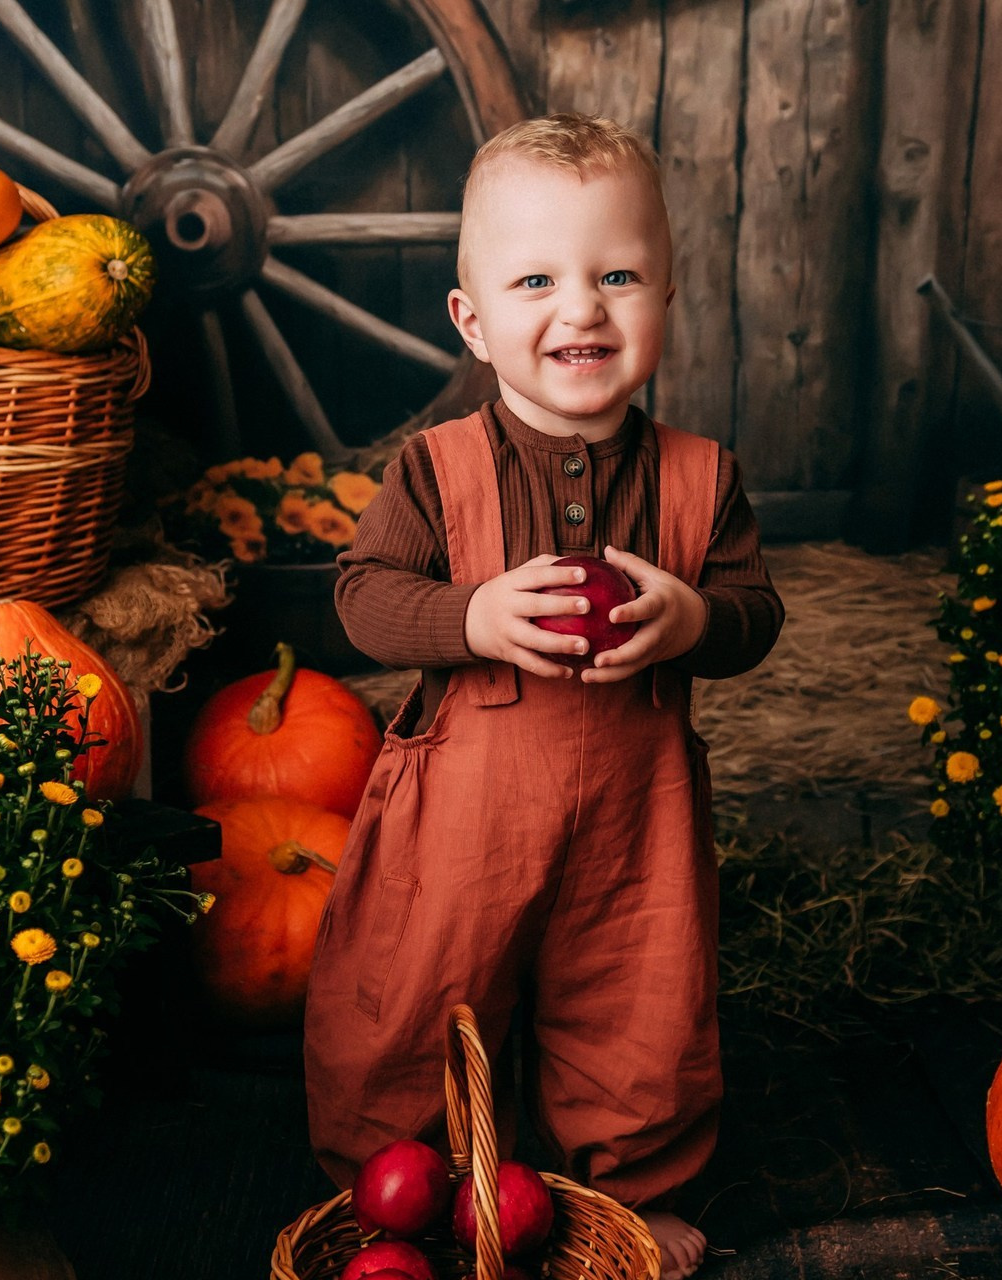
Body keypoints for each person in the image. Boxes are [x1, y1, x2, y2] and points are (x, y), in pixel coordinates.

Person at [303, 112, 784, 1279]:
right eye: (535, 280)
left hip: (634, 819)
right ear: (471, 318)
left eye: (616, 276)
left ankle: (629, 1182)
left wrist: (692, 617)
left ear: (664, 297)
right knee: (418, 990)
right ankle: (394, 1188)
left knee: (638, 996)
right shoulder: (434, 468)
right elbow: (362, 596)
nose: (581, 309)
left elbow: (753, 613)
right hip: (460, 818)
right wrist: (469, 617)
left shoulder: (700, 476)